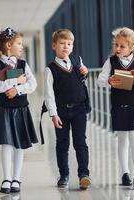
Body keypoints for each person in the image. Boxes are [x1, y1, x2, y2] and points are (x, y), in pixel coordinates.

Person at [97, 27, 134, 189]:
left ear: (132, 47)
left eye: (122, 46)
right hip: (118, 105)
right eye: (116, 45)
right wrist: (109, 81)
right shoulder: (110, 61)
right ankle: (125, 173)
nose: (117, 49)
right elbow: (100, 80)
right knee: (122, 140)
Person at [0, 27, 38, 194]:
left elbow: (32, 84)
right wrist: (17, 80)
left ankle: (16, 178)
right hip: (5, 109)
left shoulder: (23, 64)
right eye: (19, 43)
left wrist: (18, 90)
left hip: (21, 108)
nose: (21, 46)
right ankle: (6, 178)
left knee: (19, 145)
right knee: (7, 144)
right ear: (9, 45)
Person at [44, 29, 91, 190]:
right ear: (54, 46)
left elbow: (81, 78)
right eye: (62, 43)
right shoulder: (50, 69)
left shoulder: (77, 60)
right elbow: (49, 94)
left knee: (80, 142)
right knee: (62, 144)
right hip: (61, 112)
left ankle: (84, 174)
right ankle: (64, 174)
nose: (66, 47)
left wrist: (85, 74)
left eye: (69, 44)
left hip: (79, 109)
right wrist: (53, 114)